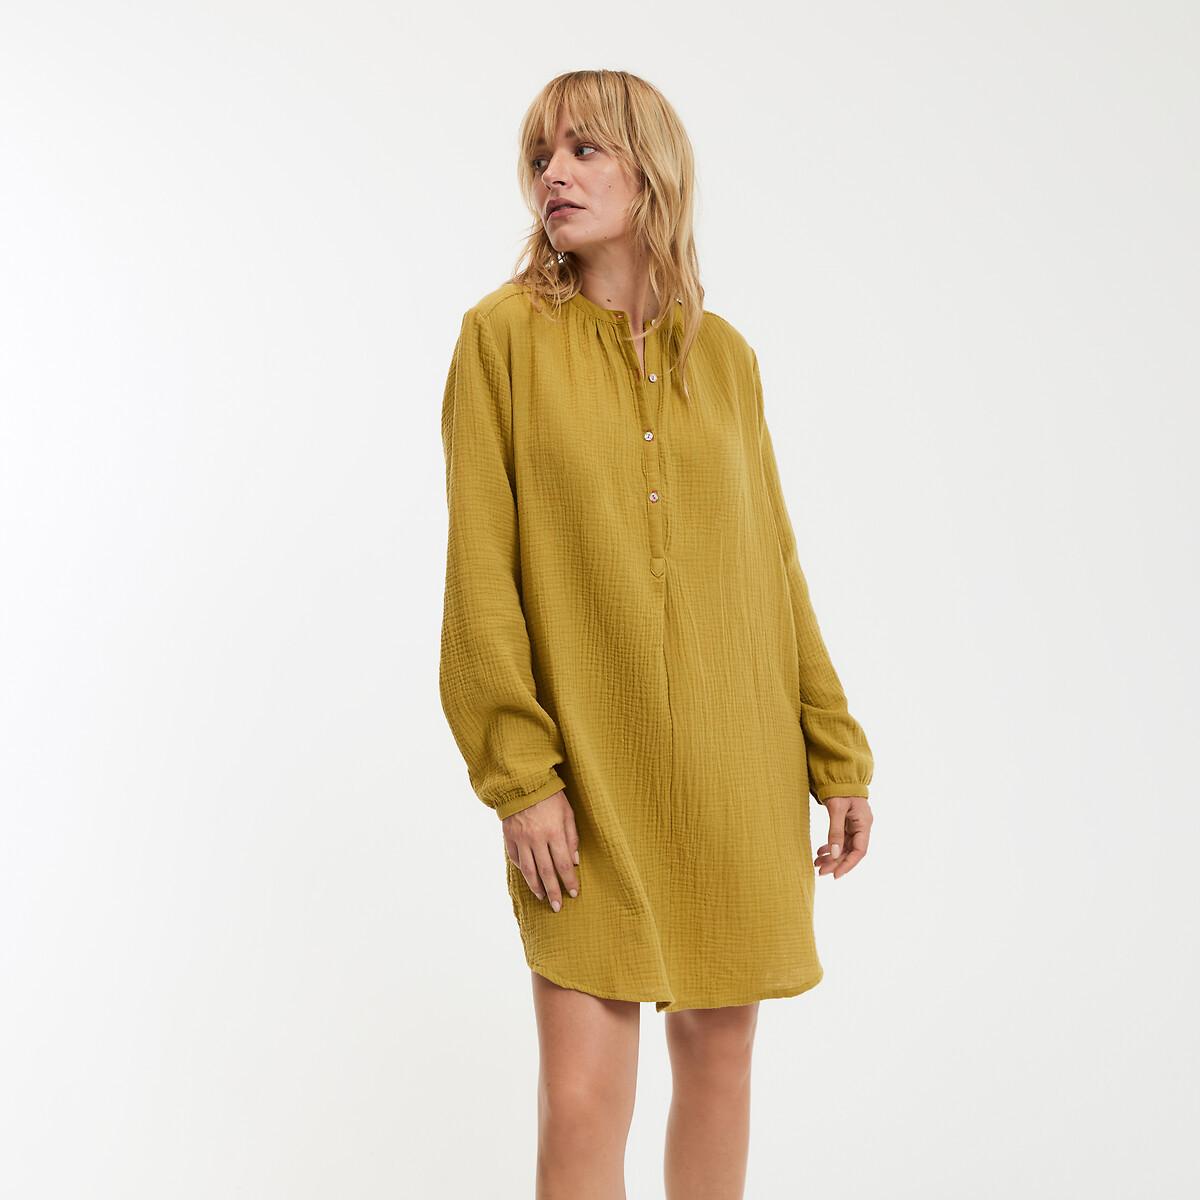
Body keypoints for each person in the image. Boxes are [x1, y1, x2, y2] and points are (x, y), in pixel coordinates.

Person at [438, 69, 875, 1199]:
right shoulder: (500, 341)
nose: (555, 174)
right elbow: (480, 577)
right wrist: (520, 778)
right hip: (587, 776)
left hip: (738, 766)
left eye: (585, 149)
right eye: (542, 156)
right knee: (583, 1101)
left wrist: (835, 752)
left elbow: (776, 568)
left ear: (652, 170)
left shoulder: (724, 359)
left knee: (719, 1065)